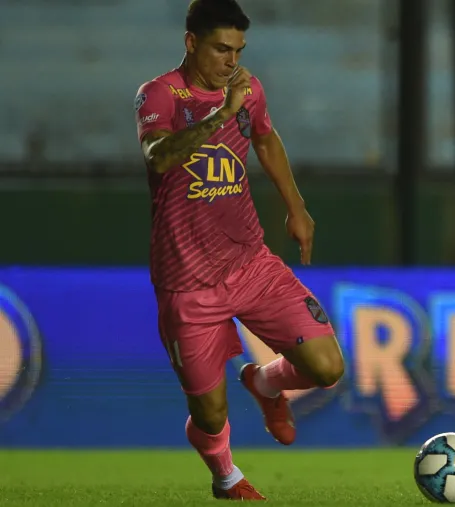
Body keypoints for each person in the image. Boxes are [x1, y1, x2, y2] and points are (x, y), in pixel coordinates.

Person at [133, 0, 344, 500]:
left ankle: (267, 382)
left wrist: (297, 206)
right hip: (188, 281)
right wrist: (220, 113)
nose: (232, 61)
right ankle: (226, 478)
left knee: (328, 367)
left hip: (251, 264)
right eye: (221, 49)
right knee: (208, 413)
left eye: (238, 50)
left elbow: (266, 140)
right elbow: (159, 157)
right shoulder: (159, 94)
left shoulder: (248, 91)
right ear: (191, 43)